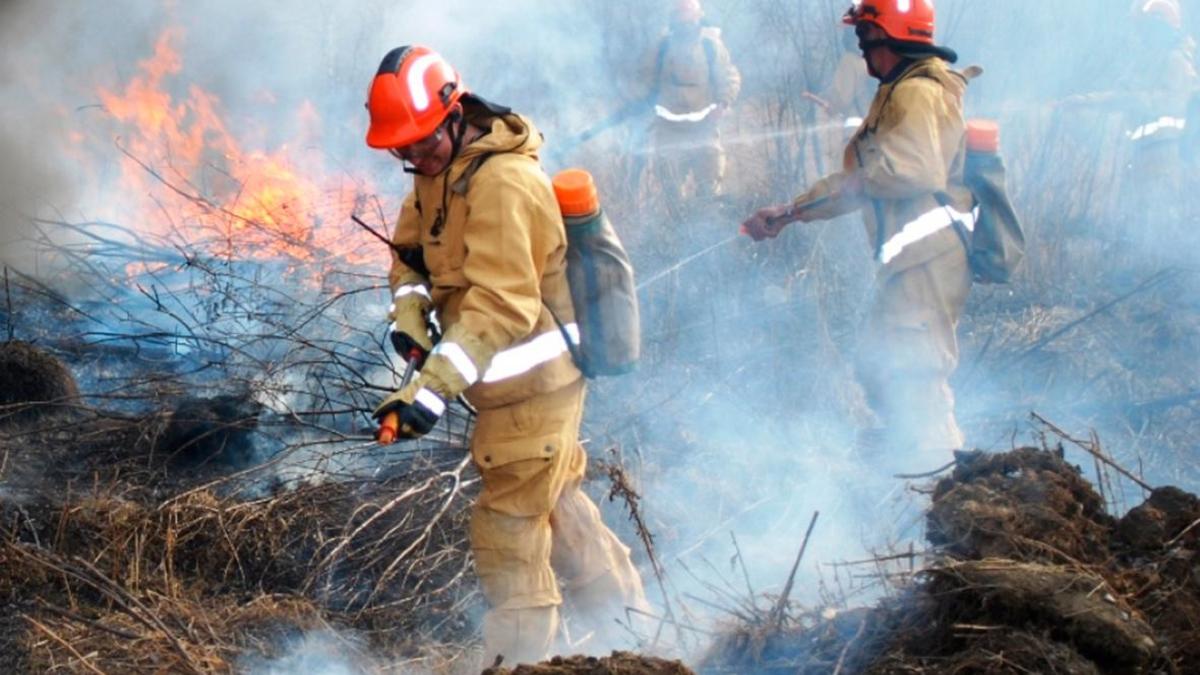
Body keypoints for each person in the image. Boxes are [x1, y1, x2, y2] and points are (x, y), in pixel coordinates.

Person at [364, 45, 648, 666]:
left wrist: (430, 388)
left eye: (420, 144)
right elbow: (410, 256)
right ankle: (638, 641)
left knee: (508, 529)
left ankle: (518, 663)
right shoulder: (435, 171)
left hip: (536, 386)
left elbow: (501, 305)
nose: (411, 158)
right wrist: (410, 314)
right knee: (558, 505)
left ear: (454, 114)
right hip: (502, 388)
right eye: (401, 149)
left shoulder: (504, 185)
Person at [741, 0, 974, 477]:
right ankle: (915, 460)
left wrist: (803, 207)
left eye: (865, 38)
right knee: (882, 362)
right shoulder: (906, 89)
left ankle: (940, 481)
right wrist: (792, 212)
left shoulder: (914, 93)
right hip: (917, 260)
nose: (862, 49)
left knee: (915, 371)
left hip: (927, 261)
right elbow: (869, 178)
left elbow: (909, 171)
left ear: (883, 38)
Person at [647, 0, 741, 209]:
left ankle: (708, 228)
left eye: (689, 12)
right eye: (680, 13)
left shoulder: (710, 44)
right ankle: (676, 232)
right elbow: (646, 81)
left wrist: (723, 103)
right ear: (673, 16)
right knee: (671, 191)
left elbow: (729, 76)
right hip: (669, 128)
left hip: (704, 127)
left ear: (699, 14)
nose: (685, 18)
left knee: (709, 189)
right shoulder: (662, 46)